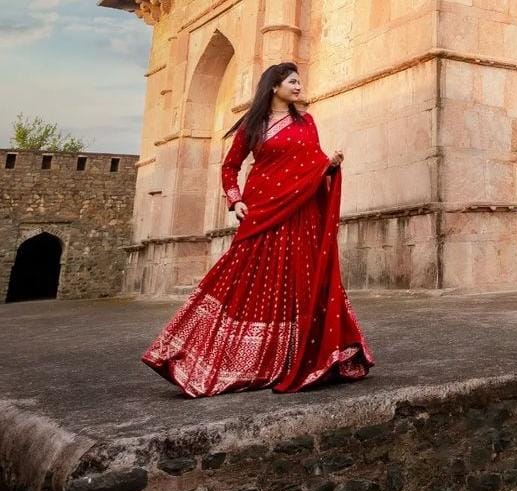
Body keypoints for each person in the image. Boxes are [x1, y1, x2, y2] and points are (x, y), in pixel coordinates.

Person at [142, 61, 374, 396]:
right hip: (262, 212)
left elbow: (312, 162)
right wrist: (235, 200)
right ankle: (212, 356)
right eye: (293, 82)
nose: (298, 87)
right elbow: (229, 167)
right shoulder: (253, 128)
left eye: (299, 82)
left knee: (301, 281)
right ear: (274, 86)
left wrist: (330, 167)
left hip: (301, 214)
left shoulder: (306, 122)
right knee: (244, 280)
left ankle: (301, 357)